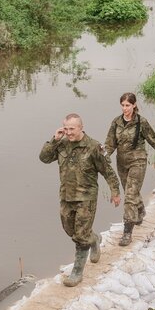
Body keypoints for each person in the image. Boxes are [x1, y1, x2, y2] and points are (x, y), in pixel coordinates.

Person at [39, 114, 121, 287]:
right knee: (70, 230)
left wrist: (115, 191)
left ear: (81, 128)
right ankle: (94, 239)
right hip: (66, 196)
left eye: (72, 129)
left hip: (86, 197)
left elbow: (108, 171)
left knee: (80, 236)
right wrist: (54, 139)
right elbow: (44, 158)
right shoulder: (61, 144)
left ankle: (77, 272)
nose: (68, 132)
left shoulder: (93, 147)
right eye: (66, 128)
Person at [105, 93, 155, 246]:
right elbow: (110, 144)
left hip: (138, 162)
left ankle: (127, 232)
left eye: (128, 105)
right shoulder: (116, 123)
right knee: (130, 192)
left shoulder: (141, 122)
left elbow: (154, 140)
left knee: (130, 196)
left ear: (134, 105)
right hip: (122, 163)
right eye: (123, 105)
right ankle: (141, 210)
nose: (125, 109)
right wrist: (102, 157)